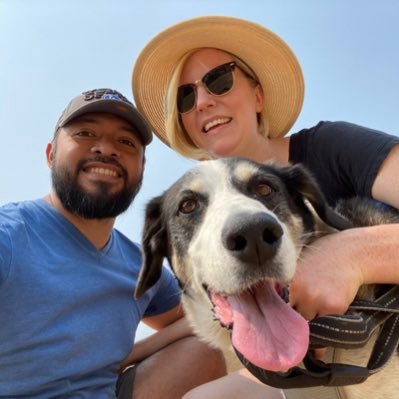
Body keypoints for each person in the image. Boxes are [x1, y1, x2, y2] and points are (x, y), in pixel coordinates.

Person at [131, 16, 399, 398]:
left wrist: (353, 253)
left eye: (219, 80)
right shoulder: (205, 246)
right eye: (186, 97)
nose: (204, 100)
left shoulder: (331, 146)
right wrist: (131, 353)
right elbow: (206, 301)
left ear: (258, 95)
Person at [0, 87, 227, 398]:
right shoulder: (9, 235)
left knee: (202, 350)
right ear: (51, 154)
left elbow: (202, 317)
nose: (106, 148)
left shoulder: (141, 266)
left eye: (125, 142)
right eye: (85, 133)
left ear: (141, 170)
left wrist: (127, 356)